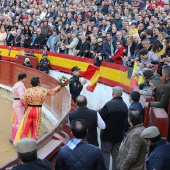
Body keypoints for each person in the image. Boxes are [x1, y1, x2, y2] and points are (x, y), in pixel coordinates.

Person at [14, 77, 63, 142]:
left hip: (29, 109)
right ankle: (34, 142)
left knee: (25, 127)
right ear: (38, 83)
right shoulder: (43, 90)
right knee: (36, 127)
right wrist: (60, 85)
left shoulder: (27, 90)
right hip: (37, 110)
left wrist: (26, 108)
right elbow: (53, 92)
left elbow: (24, 101)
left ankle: (23, 142)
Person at [99, 86, 128, 170]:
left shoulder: (109, 104)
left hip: (107, 135)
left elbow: (101, 116)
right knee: (116, 155)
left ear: (113, 94)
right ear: (121, 94)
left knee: (105, 154)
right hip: (119, 135)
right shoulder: (125, 106)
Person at [10, 73, 27, 144]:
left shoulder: (16, 85)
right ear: (22, 78)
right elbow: (22, 97)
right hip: (19, 104)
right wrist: (26, 105)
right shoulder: (20, 86)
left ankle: (12, 138)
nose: (26, 80)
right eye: (25, 78)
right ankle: (16, 139)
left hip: (15, 103)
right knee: (20, 121)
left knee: (16, 121)